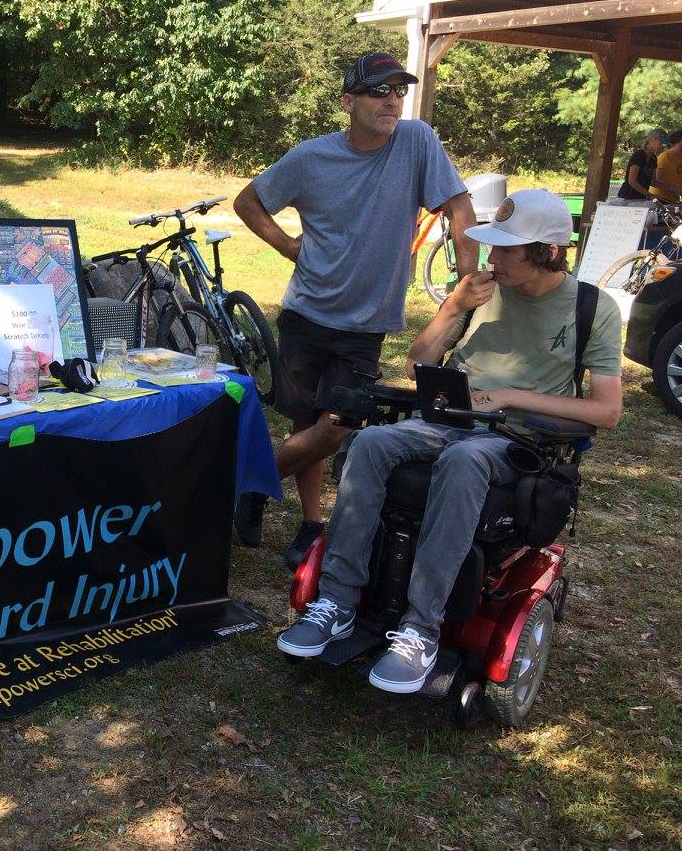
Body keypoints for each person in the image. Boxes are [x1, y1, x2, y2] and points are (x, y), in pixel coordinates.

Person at [275, 189, 623, 694]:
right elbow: (418, 365)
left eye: (506, 249)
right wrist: (452, 307)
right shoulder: (479, 290)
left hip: (514, 440)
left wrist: (508, 397)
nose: (491, 258)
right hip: (448, 419)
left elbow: (607, 411)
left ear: (548, 251)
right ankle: (338, 602)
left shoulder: (593, 307)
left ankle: (420, 629)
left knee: (464, 461)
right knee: (372, 444)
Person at [232, 52, 477, 562]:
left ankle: (247, 485)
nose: (392, 100)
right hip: (306, 312)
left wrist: (467, 275)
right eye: (378, 91)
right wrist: (288, 246)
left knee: (338, 424)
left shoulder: (416, 142)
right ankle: (310, 523)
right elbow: (248, 201)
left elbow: (458, 205)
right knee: (305, 424)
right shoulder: (310, 159)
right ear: (348, 101)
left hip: (365, 322)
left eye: (398, 91)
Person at [615, 128, 668, 203]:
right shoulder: (639, 155)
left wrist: (672, 188)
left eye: (663, 144)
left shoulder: (654, 158)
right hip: (627, 197)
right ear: (651, 140)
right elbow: (632, 180)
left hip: (641, 198)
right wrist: (649, 194)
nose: (662, 146)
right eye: (660, 143)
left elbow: (653, 181)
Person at [648, 129, 682, 204]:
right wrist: (674, 188)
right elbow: (656, 180)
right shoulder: (664, 157)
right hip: (659, 198)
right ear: (679, 142)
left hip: (673, 199)